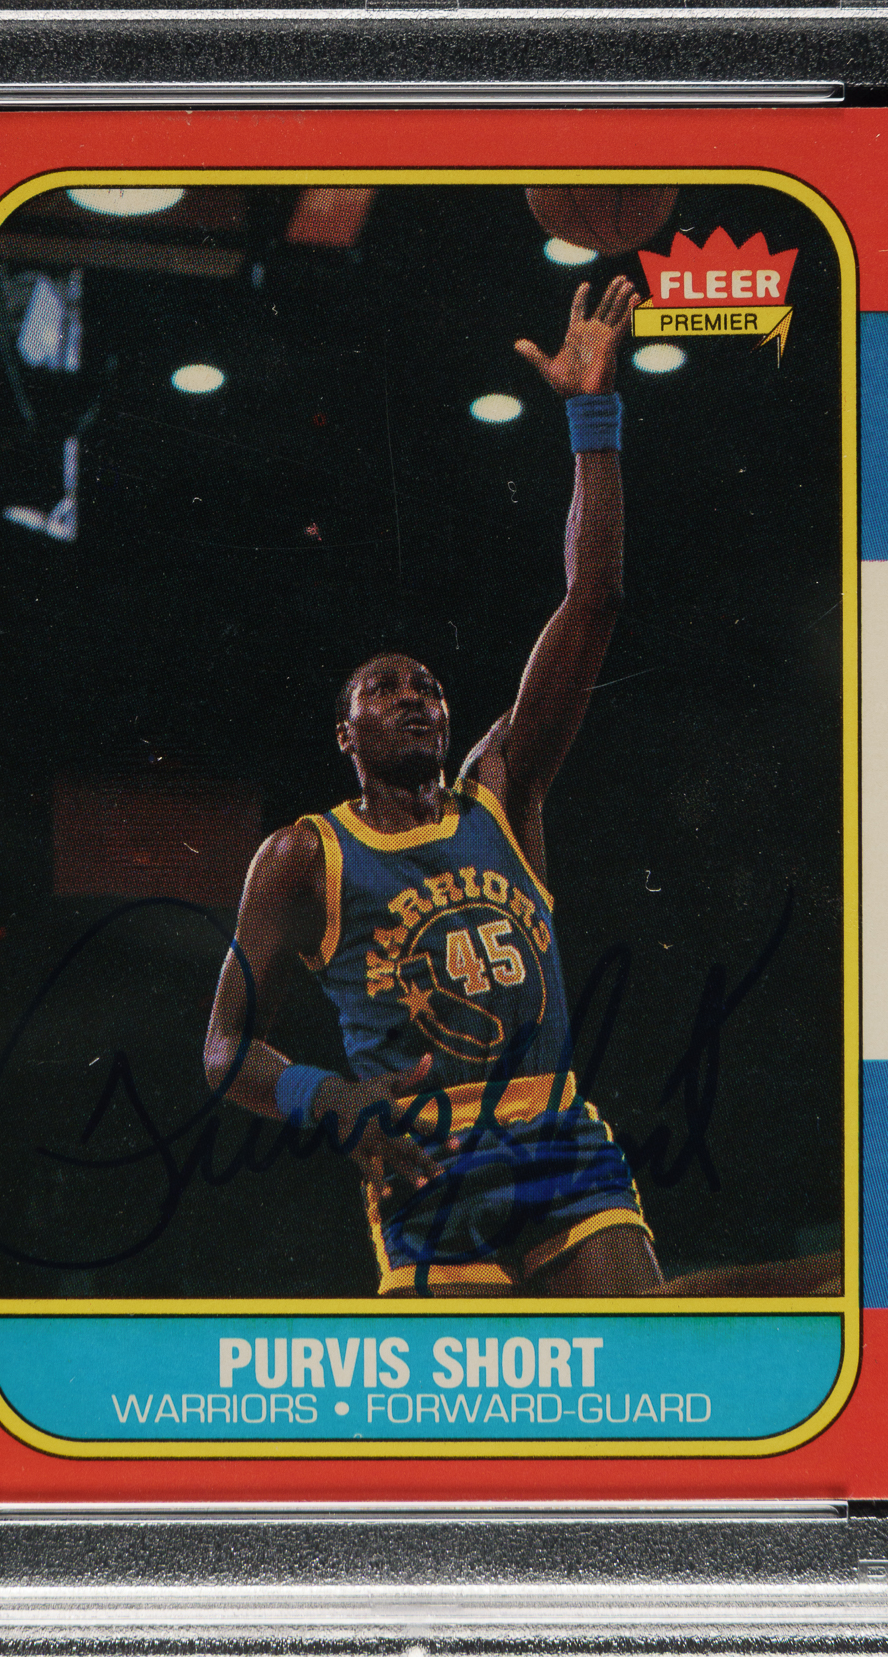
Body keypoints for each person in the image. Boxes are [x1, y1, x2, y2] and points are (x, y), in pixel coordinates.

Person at [203, 276, 662, 1298]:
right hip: (425, 1158)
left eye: (429, 686)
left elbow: (595, 597)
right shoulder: (304, 855)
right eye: (386, 688)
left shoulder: (505, 789)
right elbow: (224, 1049)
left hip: (557, 1136)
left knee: (640, 1375)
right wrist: (328, 1099)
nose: (416, 697)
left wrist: (592, 418)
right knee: (474, 1403)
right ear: (345, 734)